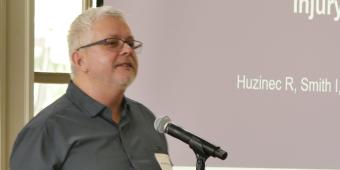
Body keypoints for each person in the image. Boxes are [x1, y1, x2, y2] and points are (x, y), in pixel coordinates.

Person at [10, 6, 170, 170]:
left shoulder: (148, 121)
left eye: (130, 43)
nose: (128, 50)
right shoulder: (45, 132)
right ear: (80, 60)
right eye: (112, 43)